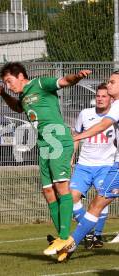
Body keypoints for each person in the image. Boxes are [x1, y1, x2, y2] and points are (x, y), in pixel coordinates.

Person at [0, 62, 91, 262]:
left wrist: (78, 77)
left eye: (9, 81)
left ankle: (64, 238)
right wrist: (4, 94)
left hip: (57, 139)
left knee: (61, 188)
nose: (9, 85)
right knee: (48, 191)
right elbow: (19, 109)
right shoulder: (22, 94)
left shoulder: (40, 83)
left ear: (20, 76)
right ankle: (63, 243)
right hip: (44, 142)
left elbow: (65, 81)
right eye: (6, 83)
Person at [45, 70, 119, 261]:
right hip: (93, 165)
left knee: (97, 203)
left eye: (112, 82)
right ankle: (74, 242)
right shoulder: (95, 111)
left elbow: (103, 126)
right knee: (96, 203)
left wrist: (76, 137)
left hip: (113, 165)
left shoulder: (117, 105)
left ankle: (71, 243)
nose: (108, 85)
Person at [70, 83, 114, 250]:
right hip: (84, 165)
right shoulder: (85, 114)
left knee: (100, 201)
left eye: (104, 96)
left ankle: (97, 236)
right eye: (98, 96)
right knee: (72, 197)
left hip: (106, 165)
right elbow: (76, 135)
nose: (100, 99)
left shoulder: (114, 115)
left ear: (110, 99)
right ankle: (89, 233)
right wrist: (71, 156)